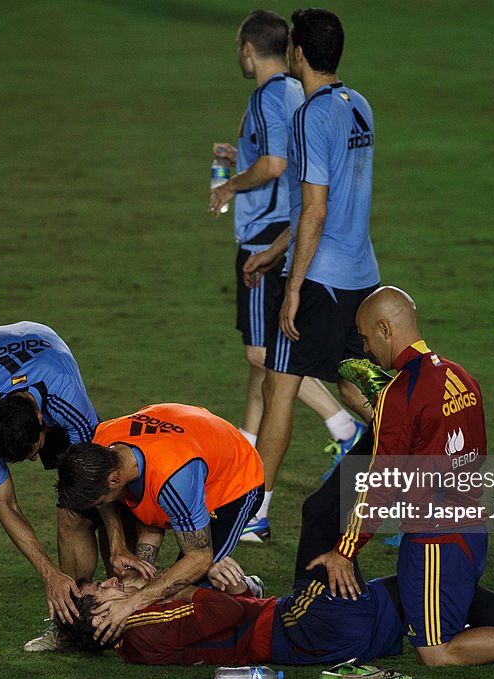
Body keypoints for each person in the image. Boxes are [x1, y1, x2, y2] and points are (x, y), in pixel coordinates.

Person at [55, 426, 494, 670]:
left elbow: (217, 606)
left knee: (396, 574)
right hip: (306, 624)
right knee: (409, 570)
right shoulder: (146, 629)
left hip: (298, 623)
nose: (108, 580)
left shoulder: (142, 631)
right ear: (104, 619)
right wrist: (180, 589)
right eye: (100, 591)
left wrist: (154, 587)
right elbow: (215, 605)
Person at [308, 287, 494, 668]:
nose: (367, 350)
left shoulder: (400, 393)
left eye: (367, 338)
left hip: (435, 538)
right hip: (472, 527)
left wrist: (346, 551)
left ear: (386, 329)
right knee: (462, 607)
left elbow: (381, 481)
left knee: (437, 651)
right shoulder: (461, 377)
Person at [208, 9, 364, 543]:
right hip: (357, 266)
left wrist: (291, 282)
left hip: (318, 270)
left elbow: (308, 203)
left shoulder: (298, 109)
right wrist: (280, 249)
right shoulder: (356, 105)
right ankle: (404, 483)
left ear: (296, 52)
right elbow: (320, 197)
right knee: (348, 384)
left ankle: (257, 511)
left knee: (277, 379)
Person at [0, 321, 146, 657]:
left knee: (76, 503)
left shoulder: (68, 401)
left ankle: (80, 618)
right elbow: (7, 506)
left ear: (42, 419)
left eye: (36, 449)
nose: (36, 459)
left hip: (48, 364)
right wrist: (49, 574)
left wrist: (118, 545)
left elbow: (101, 481)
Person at [55, 403, 265, 646]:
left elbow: (199, 557)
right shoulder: (103, 442)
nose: (102, 504)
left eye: (99, 499)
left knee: (189, 597)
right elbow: (146, 507)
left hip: (235, 483)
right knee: (158, 590)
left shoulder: (174, 478)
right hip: (193, 443)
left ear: (114, 479)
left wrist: (134, 601)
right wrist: (121, 549)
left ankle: (249, 590)